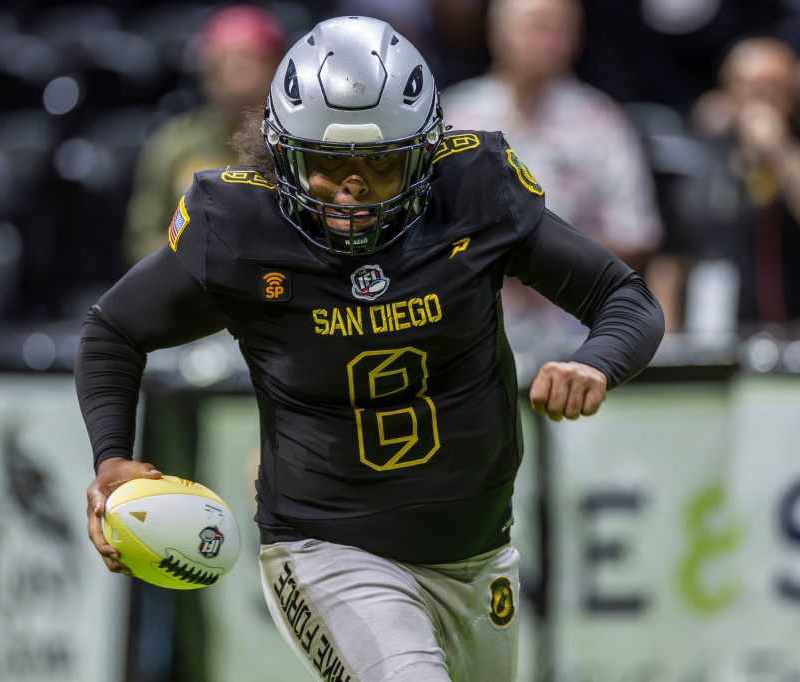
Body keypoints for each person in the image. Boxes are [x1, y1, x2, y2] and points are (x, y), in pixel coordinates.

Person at [77, 16, 663, 682]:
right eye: (328, 164)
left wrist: (596, 361)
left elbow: (626, 298)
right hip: (327, 548)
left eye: (380, 162)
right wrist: (111, 457)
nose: (351, 188)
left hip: (479, 552)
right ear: (283, 153)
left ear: (423, 152)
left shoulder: (473, 189)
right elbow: (113, 330)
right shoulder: (237, 225)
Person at [439, 0, 665, 328]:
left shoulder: (603, 122)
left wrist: (537, 256)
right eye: (535, 26)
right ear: (495, 32)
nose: (545, 40)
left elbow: (636, 236)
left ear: (576, 38)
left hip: (573, 324)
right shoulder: (453, 117)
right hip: (468, 323)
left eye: (559, 28)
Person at [674, 37, 800, 331]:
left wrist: (779, 150)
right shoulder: (706, 162)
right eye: (749, 87)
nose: (761, 98)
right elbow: (674, 257)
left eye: (774, 86)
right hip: (724, 336)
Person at [122, 4, 287, 265]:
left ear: (275, 69)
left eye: (248, 63)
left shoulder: (294, 145)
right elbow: (144, 236)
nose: (235, 75)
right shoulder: (175, 142)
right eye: (222, 63)